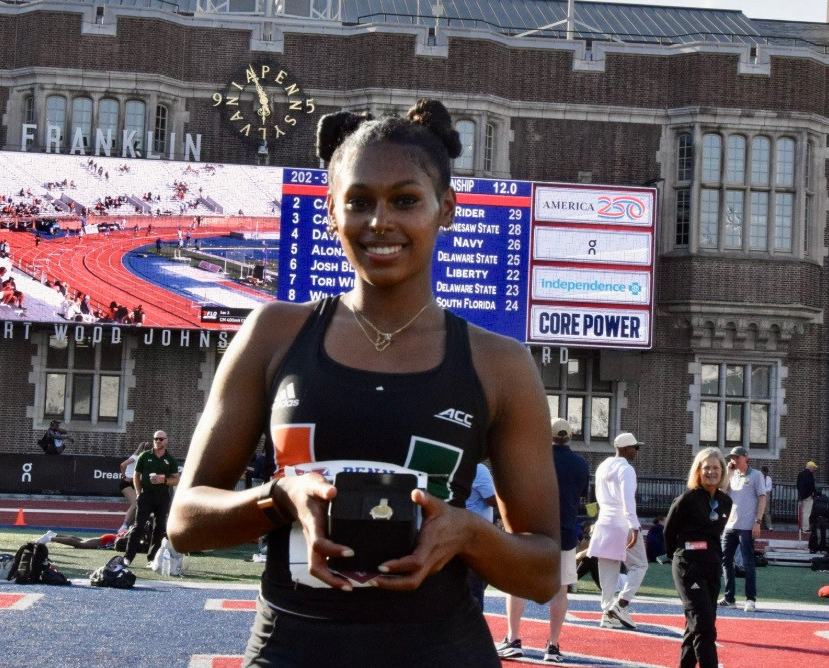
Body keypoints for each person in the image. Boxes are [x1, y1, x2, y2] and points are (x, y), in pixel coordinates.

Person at [166, 100, 560, 668]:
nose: (380, 222)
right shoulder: (274, 333)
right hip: (292, 648)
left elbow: (545, 570)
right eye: (359, 201)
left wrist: (469, 534)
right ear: (331, 211)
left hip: (443, 652)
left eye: (405, 200)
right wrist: (278, 498)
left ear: (446, 208)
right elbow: (184, 522)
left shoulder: (499, 363)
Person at [497, 418, 588, 662]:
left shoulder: (533, 458)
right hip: (565, 533)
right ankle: (553, 645)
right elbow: (582, 499)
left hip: (532, 531)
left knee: (517, 585)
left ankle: (513, 638)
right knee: (560, 591)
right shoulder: (581, 465)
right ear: (569, 437)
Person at [664, 447, 733, 668]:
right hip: (688, 567)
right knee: (704, 628)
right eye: (706, 468)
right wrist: (682, 556)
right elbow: (669, 532)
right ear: (698, 471)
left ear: (722, 470)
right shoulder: (686, 499)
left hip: (712, 568)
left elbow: (714, 535)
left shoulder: (725, 502)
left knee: (696, 625)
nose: (711, 472)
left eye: (715, 467)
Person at [588, 432, 647, 630]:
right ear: (625, 449)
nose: (636, 452)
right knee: (639, 565)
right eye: (634, 448)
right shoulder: (627, 469)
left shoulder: (603, 466)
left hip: (604, 522)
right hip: (622, 523)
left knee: (607, 570)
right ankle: (621, 604)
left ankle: (607, 612)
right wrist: (634, 525)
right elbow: (627, 500)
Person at [719, 446, 766, 612]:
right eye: (732, 457)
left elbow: (762, 498)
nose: (734, 460)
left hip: (746, 526)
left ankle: (750, 599)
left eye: (737, 457)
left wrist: (757, 522)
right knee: (725, 560)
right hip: (730, 525)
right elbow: (721, 493)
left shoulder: (756, 475)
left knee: (747, 562)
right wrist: (728, 473)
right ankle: (729, 597)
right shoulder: (732, 475)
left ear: (746, 457)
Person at [123, 430, 178, 566]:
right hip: (146, 494)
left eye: (161, 439)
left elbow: (176, 479)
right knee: (138, 526)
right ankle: (128, 557)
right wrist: (138, 492)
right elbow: (136, 475)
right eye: (155, 439)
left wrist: (163, 480)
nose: (158, 441)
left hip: (162, 496)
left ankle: (152, 558)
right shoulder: (144, 456)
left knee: (159, 527)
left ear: (166, 440)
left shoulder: (170, 460)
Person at [465, 463, 497, 613]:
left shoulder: (452, 463)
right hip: (475, 535)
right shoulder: (478, 468)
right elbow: (492, 499)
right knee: (475, 588)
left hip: (455, 531)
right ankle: (473, 630)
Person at [118, 441, 150, 533]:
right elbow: (123, 465)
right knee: (135, 503)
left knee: (140, 505)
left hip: (135, 484)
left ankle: (128, 525)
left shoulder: (146, 460)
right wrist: (124, 476)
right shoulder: (135, 457)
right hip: (126, 483)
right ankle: (124, 526)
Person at [796, 461, 817, 537]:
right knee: (806, 512)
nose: (814, 469)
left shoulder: (800, 474)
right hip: (808, 496)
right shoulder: (810, 475)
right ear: (810, 467)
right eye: (813, 467)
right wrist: (813, 492)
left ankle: (800, 527)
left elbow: (798, 485)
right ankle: (805, 528)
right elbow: (811, 485)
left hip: (800, 495)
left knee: (800, 512)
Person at [759, 466, 773, 530]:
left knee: (766, 511)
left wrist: (763, 490)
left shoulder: (769, 479)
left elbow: (769, 488)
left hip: (766, 494)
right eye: (763, 472)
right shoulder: (758, 478)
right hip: (759, 494)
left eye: (765, 473)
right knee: (758, 510)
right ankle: (758, 525)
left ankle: (769, 526)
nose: (764, 474)